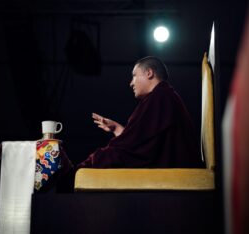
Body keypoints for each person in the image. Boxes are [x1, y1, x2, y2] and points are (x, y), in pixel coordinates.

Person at [58, 56, 204, 192]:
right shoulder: (165, 96)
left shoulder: (159, 97)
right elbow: (144, 142)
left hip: (174, 178)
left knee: (105, 157)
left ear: (149, 73)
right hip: (174, 170)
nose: (131, 83)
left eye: (134, 75)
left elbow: (132, 148)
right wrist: (117, 129)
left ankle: (71, 176)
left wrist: (88, 165)